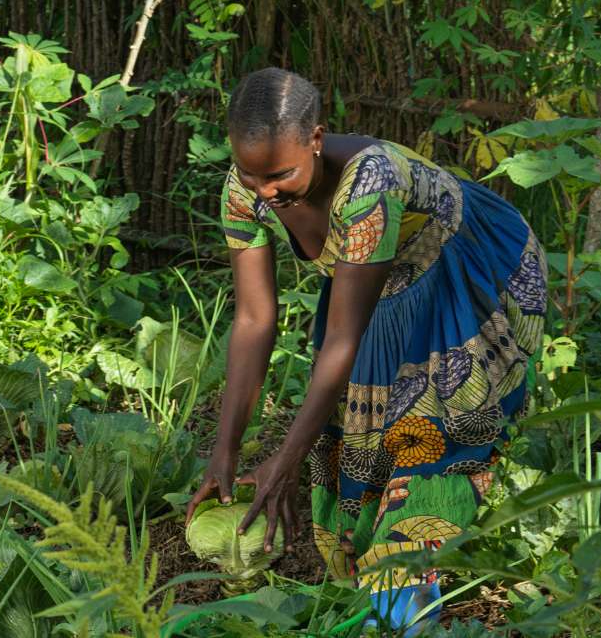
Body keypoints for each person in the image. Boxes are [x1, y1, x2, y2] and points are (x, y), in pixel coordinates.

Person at [184, 68, 548, 634]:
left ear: (317, 139)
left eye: (279, 175)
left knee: (435, 433)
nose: (266, 193)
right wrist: (224, 451)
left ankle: (406, 610)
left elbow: (343, 339)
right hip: (378, 285)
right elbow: (255, 319)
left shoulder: (368, 184)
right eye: (252, 176)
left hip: (464, 268)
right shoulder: (244, 190)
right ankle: (363, 592)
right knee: (355, 437)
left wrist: (287, 457)